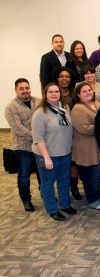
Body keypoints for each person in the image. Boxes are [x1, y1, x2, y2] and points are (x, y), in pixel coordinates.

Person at [32, 83, 76, 221]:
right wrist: (46, 157)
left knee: (64, 180)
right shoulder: (40, 113)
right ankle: (52, 209)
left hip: (64, 152)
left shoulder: (65, 108)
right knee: (47, 183)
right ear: (45, 94)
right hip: (47, 154)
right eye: (51, 92)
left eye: (56, 91)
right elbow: (38, 139)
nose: (54, 94)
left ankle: (65, 205)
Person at [5, 78, 41, 212]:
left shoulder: (38, 101)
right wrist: (37, 136)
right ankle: (26, 200)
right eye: (21, 89)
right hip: (23, 147)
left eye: (27, 88)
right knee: (24, 175)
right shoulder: (11, 107)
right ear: (16, 90)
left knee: (41, 172)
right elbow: (18, 128)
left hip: (39, 147)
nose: (25, 91)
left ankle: (44, 194)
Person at [71, 82, 100, 210]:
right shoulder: (78, 109)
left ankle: (98, 196)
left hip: (96, 147)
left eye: (89, 90)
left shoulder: (96, 103)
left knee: (96, 175)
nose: (88, 93)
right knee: (89, 176)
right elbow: (84, 129)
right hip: (86, 149)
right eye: (84, 91)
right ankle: (93, 200)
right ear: (78, 95)